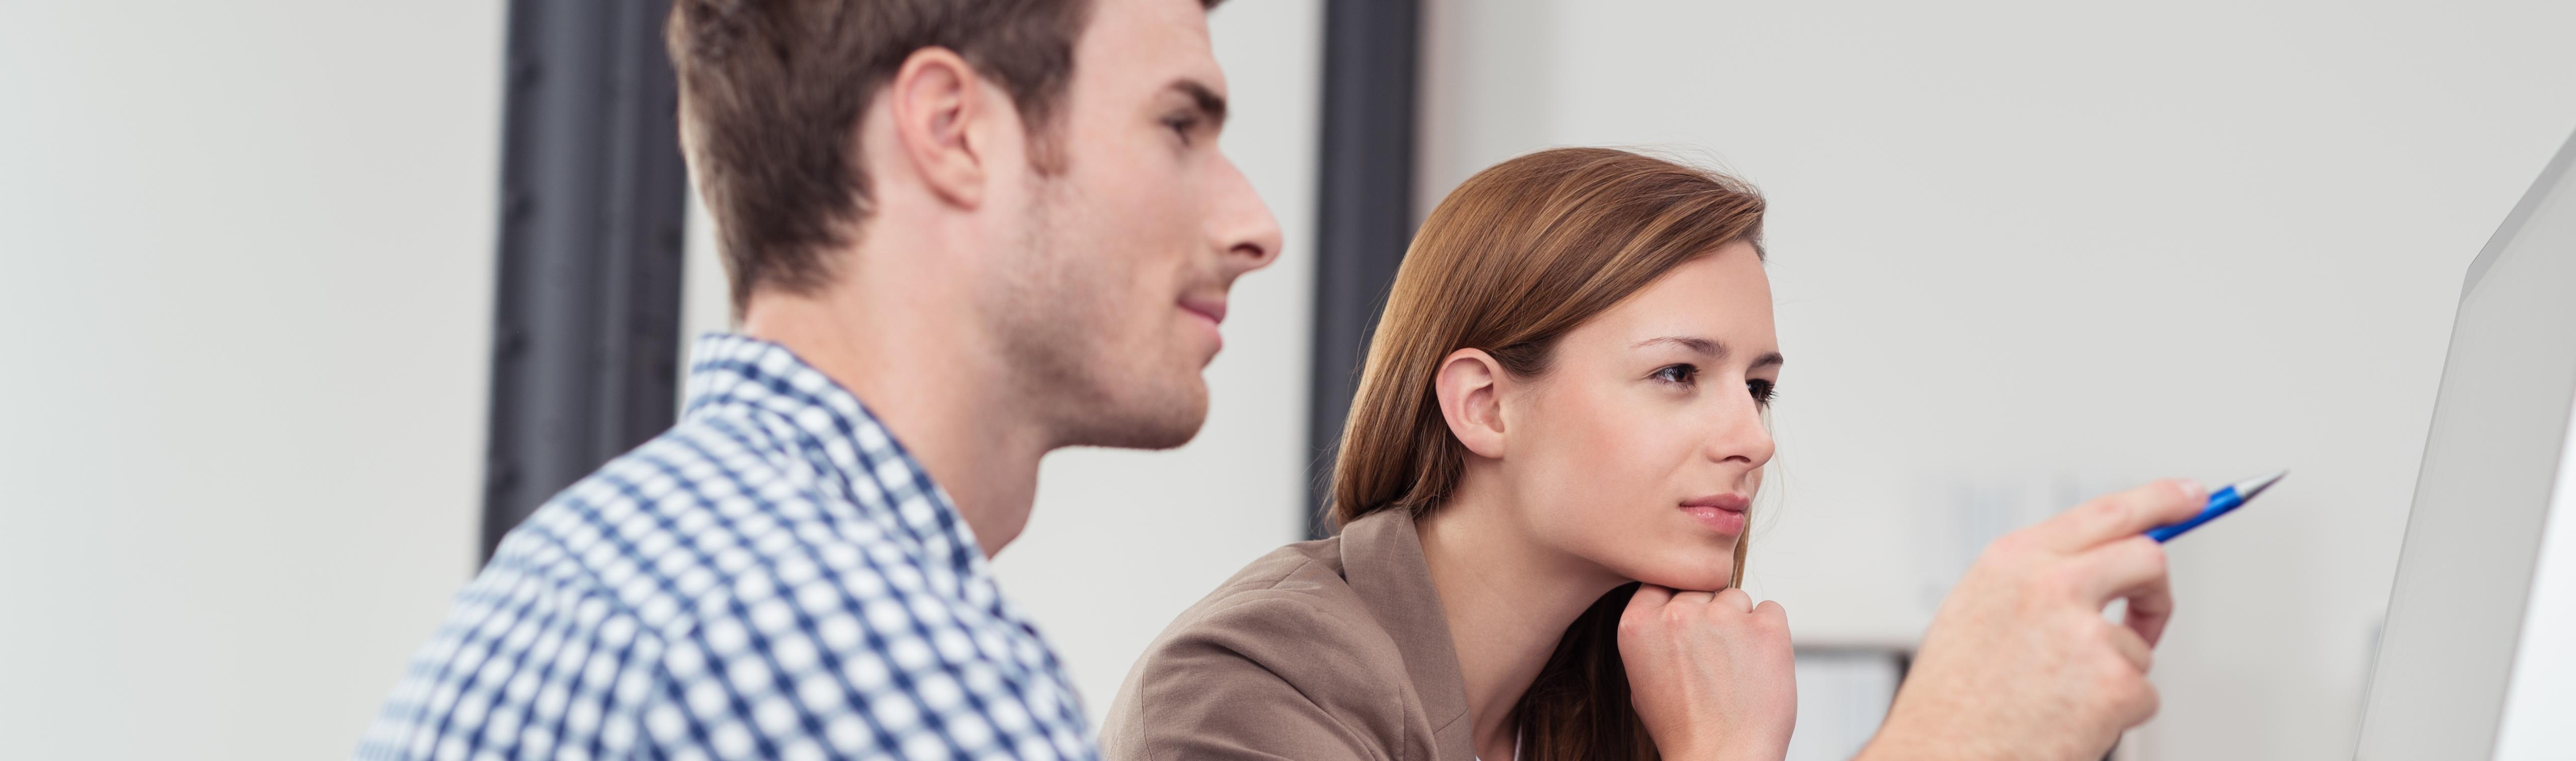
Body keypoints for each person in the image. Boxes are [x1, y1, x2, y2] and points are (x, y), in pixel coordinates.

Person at [358, 0, 2206, 758]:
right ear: (951, 134)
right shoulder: (850, 647)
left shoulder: (647, 565)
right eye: (1182, 123)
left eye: (1760, 379)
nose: (1252, 218)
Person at [1100, 147, 2205, 761]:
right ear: (1484, 405)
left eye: (1760, 386)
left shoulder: (1623, 676)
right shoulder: (1245, 687)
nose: (1752, 437)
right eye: (1679, 373)